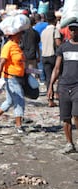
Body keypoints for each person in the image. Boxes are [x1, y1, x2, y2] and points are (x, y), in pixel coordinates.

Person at [47, 20, 78, 154]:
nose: (73, 32)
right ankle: (69, 143)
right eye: (71, 29)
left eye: (75, 30)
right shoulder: (63, 48)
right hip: (64, 86)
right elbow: (57, 68)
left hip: (77, 86)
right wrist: (50, 87)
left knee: (76, 115)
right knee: (66, 118)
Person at [0, 30, 26, 134]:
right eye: (19, 34)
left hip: (18, 78)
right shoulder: (8, 46)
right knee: (19, 101)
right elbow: (1, 63)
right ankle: (19, 125)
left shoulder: (16, 46)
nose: (21, 36)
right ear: (13, 35)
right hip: (10, 78)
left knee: (10, 101)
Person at [41, 11, 62, 107]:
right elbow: (58, 43)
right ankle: (58, 93)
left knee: (49, 78)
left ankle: (50, 99)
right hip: (53, 55)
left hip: (44, 56)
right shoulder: (55, 30)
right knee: (60, 75)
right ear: (54, 20)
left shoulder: (44, 31)